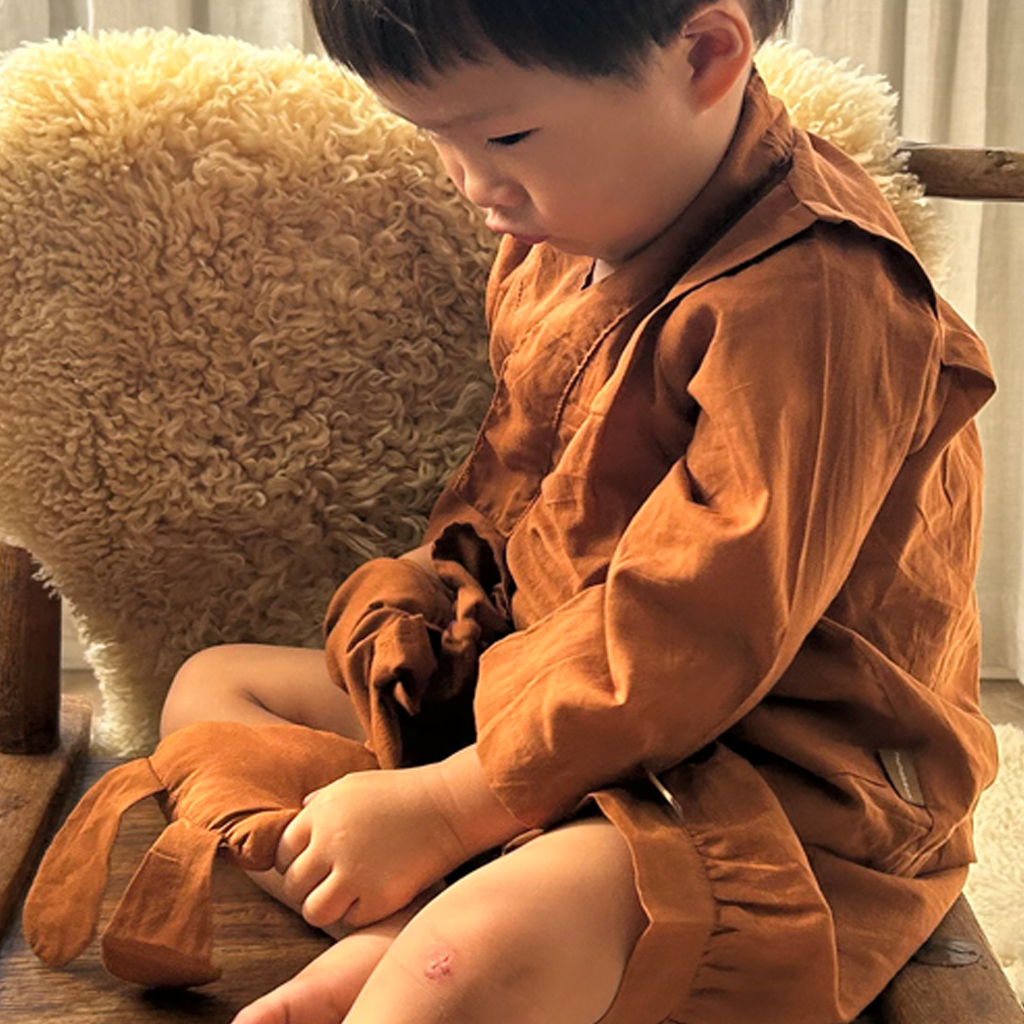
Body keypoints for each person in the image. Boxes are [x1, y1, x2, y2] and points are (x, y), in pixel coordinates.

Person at [159, 1, 999, 1022]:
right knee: (216, 690)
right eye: (435, 137)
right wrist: (439, 613)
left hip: (773, 763)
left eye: (507, 136)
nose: (473, 183)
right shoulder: (570, 225)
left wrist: (450, 804)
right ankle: (417, 908)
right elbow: (523, 497)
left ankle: (451, 923)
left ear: (705, 55)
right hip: (547, 680)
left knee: (470, 957)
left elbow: (695, 632)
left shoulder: (822, 299)